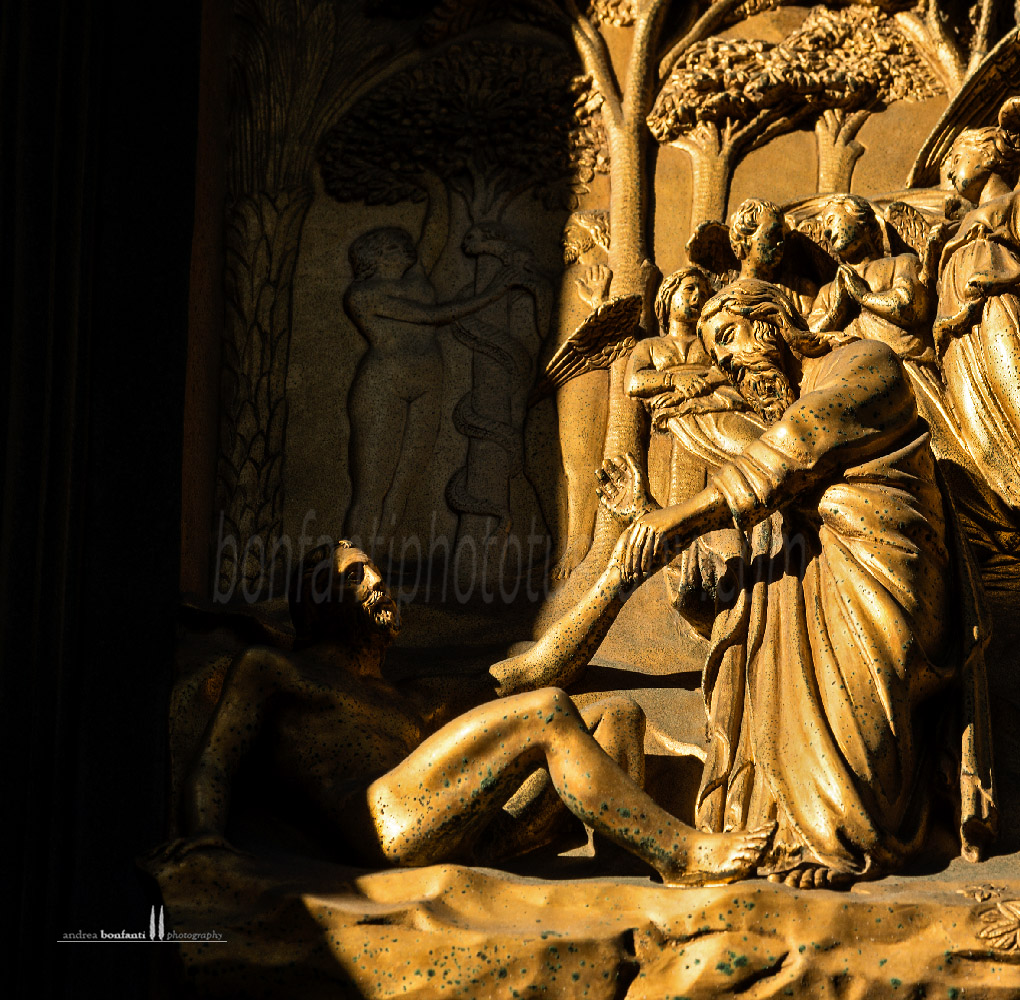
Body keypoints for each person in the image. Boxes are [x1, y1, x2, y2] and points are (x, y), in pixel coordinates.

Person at [594, 279, 995, 888]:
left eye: (728, 337)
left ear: (773, 321)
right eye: (714, 352)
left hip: (880, 569)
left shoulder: (866, 363)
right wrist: (647, 515)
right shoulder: (767, 435)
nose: (726, 359)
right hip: (814, 576)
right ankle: (785, 833)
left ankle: (842, 836)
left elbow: (799, 445)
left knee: (866, 722)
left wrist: (674, 519)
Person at [182, 540, 773, 886]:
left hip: (466, 837)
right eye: (355, 575)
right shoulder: (275, 670)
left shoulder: (414, 695)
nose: (380, 582)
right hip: (384, 826)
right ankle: (684, 854)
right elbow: (216, 761)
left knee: (617, 714)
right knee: (545, 713)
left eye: (376, 570)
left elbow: (538, 668)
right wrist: (205, 840)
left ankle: (627, 872)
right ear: (316, 603)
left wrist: (619, 575)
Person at [343, 226, 517, 550]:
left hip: (428, 383)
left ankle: (376, 564)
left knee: (403, 487)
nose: (407, 247)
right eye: (396, 246)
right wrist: (495, 291)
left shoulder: (416, 277)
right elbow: (431, 316)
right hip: (384, 385)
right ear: (376, 257)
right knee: (371, 491)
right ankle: (351, 571)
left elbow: (438, 224)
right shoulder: (362, 294)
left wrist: (432, 184)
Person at [625, 265, 760, 505]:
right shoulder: (650, 346)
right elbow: (634, 382)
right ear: (668, 296)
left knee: (752, 456)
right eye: (689, 289)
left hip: (720, 412)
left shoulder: (713, 342)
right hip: (675, 423)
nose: (698, 296)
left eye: (703, 292)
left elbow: (735, 366)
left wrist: (705, 382)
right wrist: (674, 380)